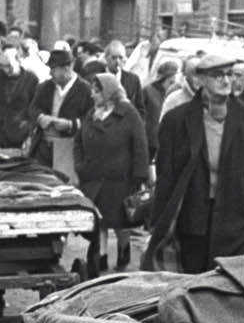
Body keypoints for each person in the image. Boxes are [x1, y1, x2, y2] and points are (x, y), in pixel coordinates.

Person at [152, 51, 244, 273]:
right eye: (218, 75)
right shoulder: (177, 120)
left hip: (235, 219)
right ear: (200, 80)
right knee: (193, 282)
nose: (226, 80)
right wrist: (159, 221)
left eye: (229, 74)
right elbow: (166, 175)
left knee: (228, 286)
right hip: (193, 219)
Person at [74, 72, 148, 272]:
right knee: (100, 221)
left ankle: (124, 250)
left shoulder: (128, 113)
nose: (92, 95)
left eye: (97, 91)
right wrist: (80, 166)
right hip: (93, 177)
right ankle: (100, 258)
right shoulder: (92, 113)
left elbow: (140, 145)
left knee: (120, 221)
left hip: (120, 179)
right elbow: (78, 142)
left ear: (108, 92)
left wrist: (140, 176)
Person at [30, 47, 94, 180]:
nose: (51, 73)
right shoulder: (45, 87)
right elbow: (33, 108)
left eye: (54, 69)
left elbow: (91, 120)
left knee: (64, 187)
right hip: (42, 148)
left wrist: (71, 125)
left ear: (67, 68)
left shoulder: (86, 90)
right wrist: (41, 117)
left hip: (68, 148)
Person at [0, 42, 38, 148]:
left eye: (9, 66)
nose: (6, 70)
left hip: (19, 134)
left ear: (19, 61)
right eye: (3, 66)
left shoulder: (31, 79)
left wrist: (27, 125)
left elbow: (34, 107)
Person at [141, 58, 178, 161]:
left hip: (168, 142)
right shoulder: (147, 91)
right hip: (149, 142)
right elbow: (139, 115)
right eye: (174, 75)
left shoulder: (175, 93)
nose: (176, 79)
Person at [104, 39, 142, 106]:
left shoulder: (133, 80)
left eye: (121, 58)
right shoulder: (96, 77)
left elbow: (140, 108)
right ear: (106, 58)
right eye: (114, 58)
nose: (118, 61)